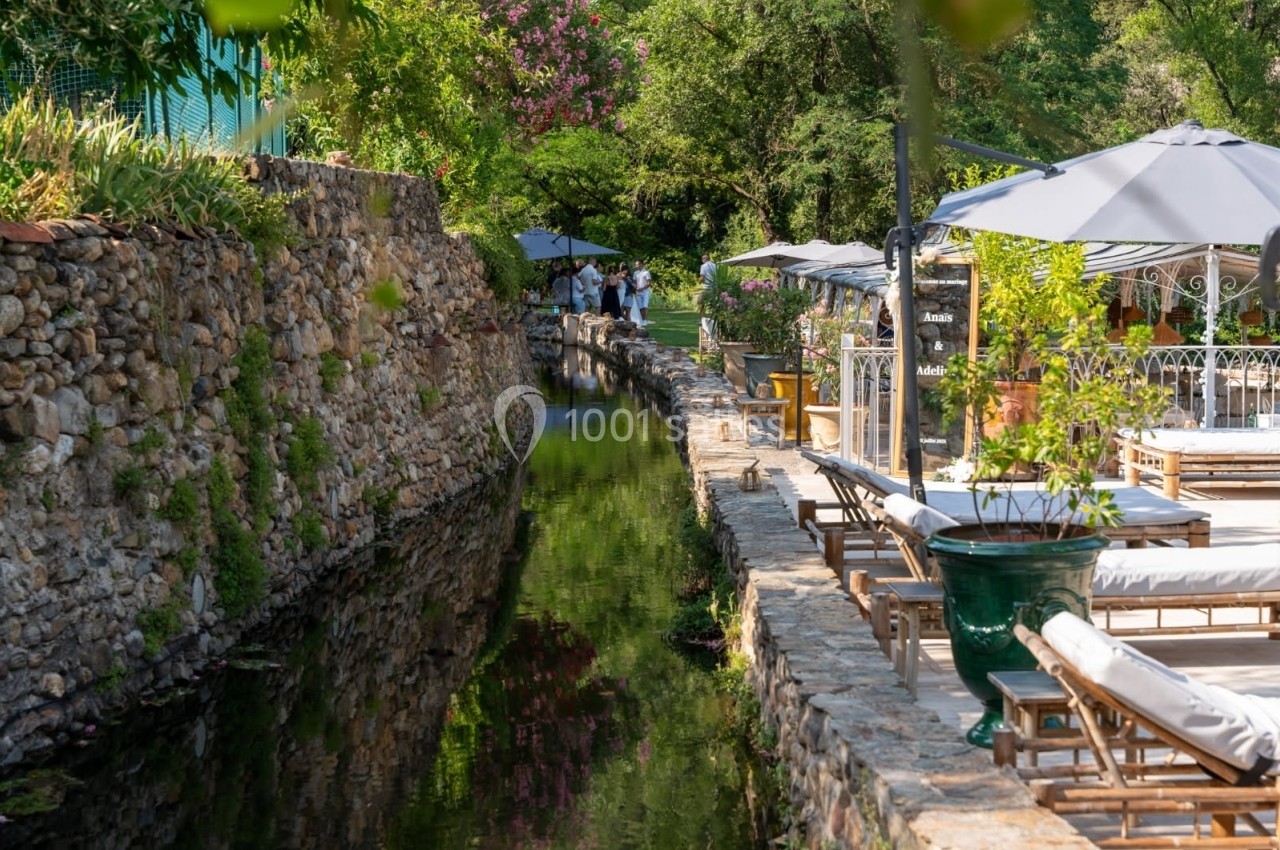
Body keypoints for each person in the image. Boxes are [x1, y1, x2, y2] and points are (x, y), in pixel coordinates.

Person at [632, 259, 653, 324]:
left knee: (645, 306)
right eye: (636, 265)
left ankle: (645, 320)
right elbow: (635, 282)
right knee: (640, 307)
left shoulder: (646, 272)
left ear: (641, 264)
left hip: (645, 292)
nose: (636, 266)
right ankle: (641, 320)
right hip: (638, 292)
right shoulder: (635, 273)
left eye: (637, 264)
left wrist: (642, 288)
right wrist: (635, 288)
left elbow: (649, 283)